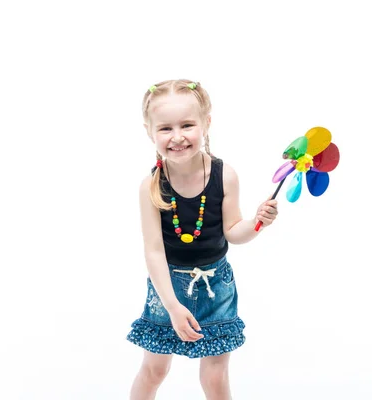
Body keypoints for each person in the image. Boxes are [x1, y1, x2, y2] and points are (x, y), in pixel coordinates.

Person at [126, 79, 279, 400]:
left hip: (217, 287)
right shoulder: (150, 186)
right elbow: (154, 252)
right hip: (167, 285)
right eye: (165, 128)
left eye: (187, 125)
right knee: (154, 369)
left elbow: (232, 232)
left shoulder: (225, 175)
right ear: (149, 131)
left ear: (206, 124)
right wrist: (172, 305)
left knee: (215, 375)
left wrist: (256, 223)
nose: (178, 137)